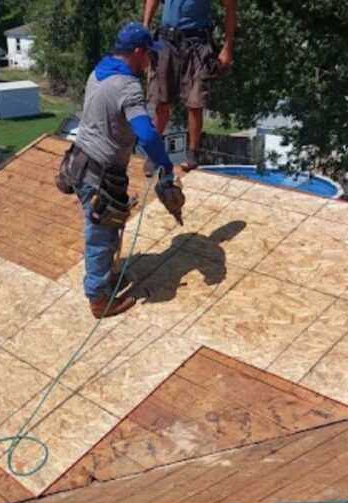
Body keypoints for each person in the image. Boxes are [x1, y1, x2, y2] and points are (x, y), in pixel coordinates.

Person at [56, 22, 181, 319]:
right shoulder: (127, 86)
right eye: (149, 55)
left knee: (109, 227)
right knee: (99, 234)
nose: (150, 62)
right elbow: (147, 134)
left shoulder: (99, 72)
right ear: (138, 52)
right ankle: (98, 299)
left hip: (80, 162)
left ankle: (106, 278)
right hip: (98, 173)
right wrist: (165, 164)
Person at [144, 0, 237, 172]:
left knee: (196, 100)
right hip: (167, 40)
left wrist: (227, 47)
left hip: (197, 42)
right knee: (161, 99)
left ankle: (193, 155)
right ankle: (154, 154)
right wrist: (145, 27)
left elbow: (230, 7)